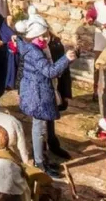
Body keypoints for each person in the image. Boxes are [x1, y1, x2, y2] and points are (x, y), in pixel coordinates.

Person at [16, 12, 75, 173]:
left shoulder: (35, 47)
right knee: (38, 129)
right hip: (38, 94)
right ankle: (39, 162)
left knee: (40, 128)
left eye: (45, 35)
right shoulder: (35, 51)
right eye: (41, 36)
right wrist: (66, 59)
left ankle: (42, 158)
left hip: (38, 91)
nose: (45, 39)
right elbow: (49, 71)